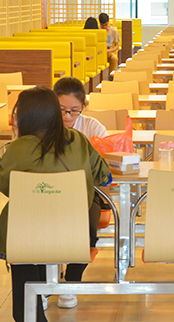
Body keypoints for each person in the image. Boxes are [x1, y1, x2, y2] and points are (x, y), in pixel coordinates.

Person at [0, 87, 111, 322]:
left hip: (27, 235)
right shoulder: (78, 140)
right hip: (74, 232)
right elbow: (103, 175)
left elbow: (3, 185)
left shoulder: (16, 150)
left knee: (24, 303)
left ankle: (30, 310)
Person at [51, 77, 107, 309]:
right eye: (62, 110)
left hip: (87, 191)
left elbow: (103, 167)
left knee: (88, 223)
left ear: (83, 106)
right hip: (51, 192)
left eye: (74, 110)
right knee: (40, 227)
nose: (67, 116)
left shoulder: (93, 128)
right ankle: (44, 284)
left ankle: (71, 282)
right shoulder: (43, 127)